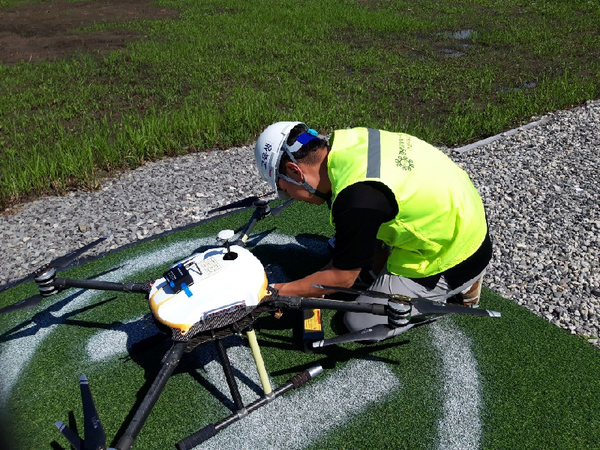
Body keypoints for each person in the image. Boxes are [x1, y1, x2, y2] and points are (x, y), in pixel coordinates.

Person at [254, 121, 492, 340]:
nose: (288, 196)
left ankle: (458, 292)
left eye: (283, 189)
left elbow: (341, 278)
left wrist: (273, 293)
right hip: (459, 210)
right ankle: (384, 268)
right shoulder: (348, 142)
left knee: (359, 323)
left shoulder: (357, 199)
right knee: (351, 250)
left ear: (295, 171)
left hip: (455, 253)